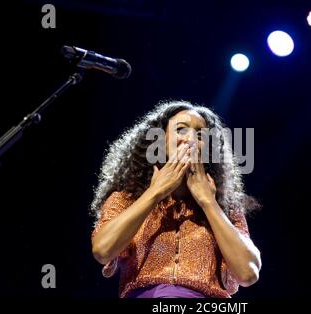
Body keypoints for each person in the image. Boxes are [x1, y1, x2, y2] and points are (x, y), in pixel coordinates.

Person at [91, 100, 261, 298]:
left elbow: (248, 273)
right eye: (181, 130)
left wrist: (208, 202)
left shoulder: (225, 208)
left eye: (200, 135)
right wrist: (156, 192)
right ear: (159, 141)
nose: (191, 139)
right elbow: (103, 250)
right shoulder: (126, 198)